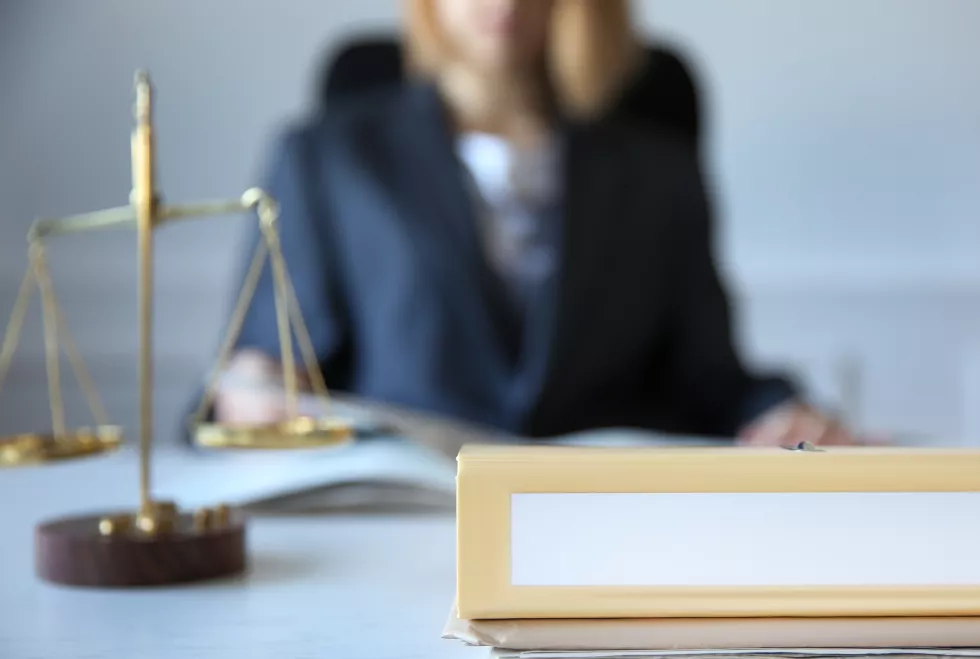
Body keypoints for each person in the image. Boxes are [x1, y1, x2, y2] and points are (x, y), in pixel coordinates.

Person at [207, 0, 855, 446]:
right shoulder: (329, 158)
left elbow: (715, 378)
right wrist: (251, 389)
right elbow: (263, 360)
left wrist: (781, 413)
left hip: (606, 524)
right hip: (399, 526)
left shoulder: (658, 172)